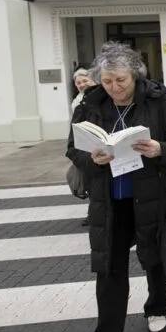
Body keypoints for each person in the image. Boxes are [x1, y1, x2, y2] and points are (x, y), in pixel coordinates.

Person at [62, 42, 166, 332]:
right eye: (107, 81)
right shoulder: (89, 105)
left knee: (153, 255)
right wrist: (91, 158)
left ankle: (157, 307)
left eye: (120, 80)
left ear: (135, 75)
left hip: (152, 194)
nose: (114, 88)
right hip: (110, 199)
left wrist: (160, 148)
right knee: (109, 270)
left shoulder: (159, 101)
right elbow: (72, 149)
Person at [70, 68, 97, 226]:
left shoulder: (97, 98)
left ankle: (93, 212)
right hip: (82, 145)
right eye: (78, 82)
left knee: (95, 181)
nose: (82, 84)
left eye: (85, 81)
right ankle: (92, 212)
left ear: (92, 80)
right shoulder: (77, 100)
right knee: (87, 180)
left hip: (95, 142)